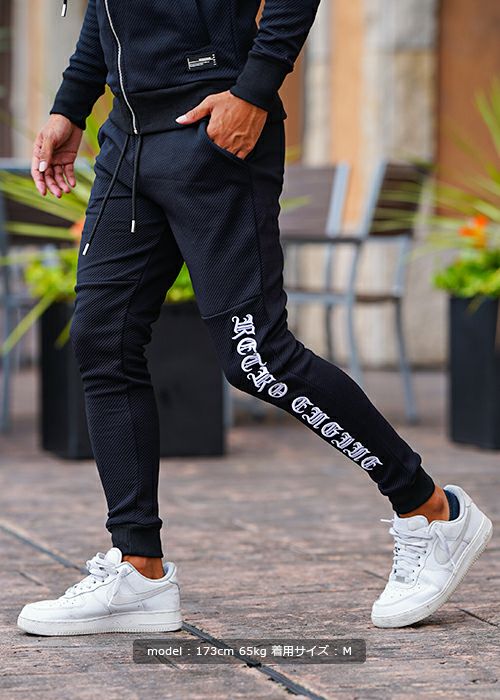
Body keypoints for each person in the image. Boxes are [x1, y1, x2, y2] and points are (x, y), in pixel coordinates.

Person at [18, 0, 492, 636]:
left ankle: (433, 512)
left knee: (257, 358)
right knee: (102, 342)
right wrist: (70, 106)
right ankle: (139, 571)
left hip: (212, 132)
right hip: (127, 147)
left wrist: (253, 89)